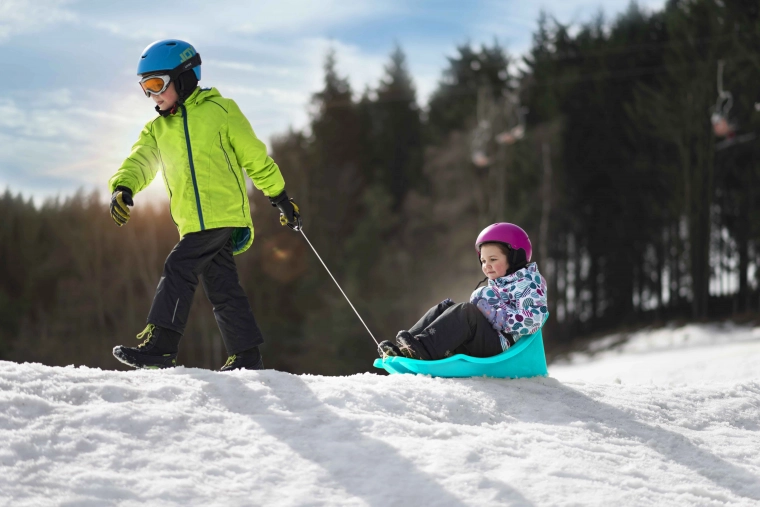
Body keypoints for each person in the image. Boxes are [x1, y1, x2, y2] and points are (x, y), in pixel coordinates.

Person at [108, 39, 301, 371]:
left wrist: (280, 196)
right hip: (192, 222)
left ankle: (162, 346)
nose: (153, 96)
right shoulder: (157, 129)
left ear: (183, 77)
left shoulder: (220, 111)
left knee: (179, 266)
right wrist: (123, 187)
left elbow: (254, 157)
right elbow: (139, 161)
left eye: (157, 85)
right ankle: (247, 356)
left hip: (222, 213)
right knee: (222, 287)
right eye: (145, 88)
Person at [378, 223, 548, 360]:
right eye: (483, 261)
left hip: (503, 345)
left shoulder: (528, 283)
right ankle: (406, 348)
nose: (486, 265)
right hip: (487, 338)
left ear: (515, 257)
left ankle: (423, 351)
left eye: (493, 259)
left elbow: (534, 320)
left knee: (466, 312)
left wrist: (499, 318)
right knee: (445, 307)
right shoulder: (501, 283)